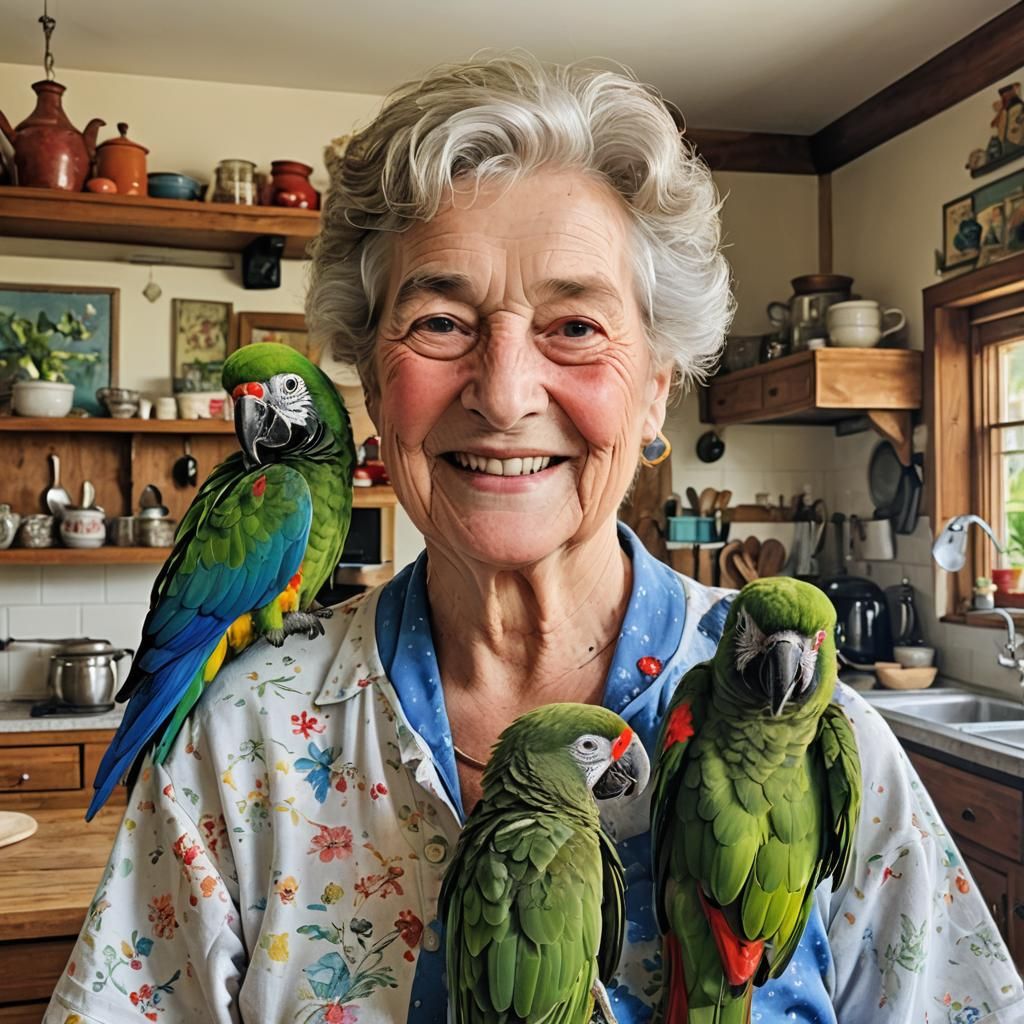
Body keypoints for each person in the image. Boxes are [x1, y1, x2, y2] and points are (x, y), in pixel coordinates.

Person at [45, 54, 1023, 1024]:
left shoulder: (823, 730)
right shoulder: (241, 735)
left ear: (653, 393)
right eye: (438, 322)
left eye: (573, 326)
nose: (505, 393)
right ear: (375, 387)